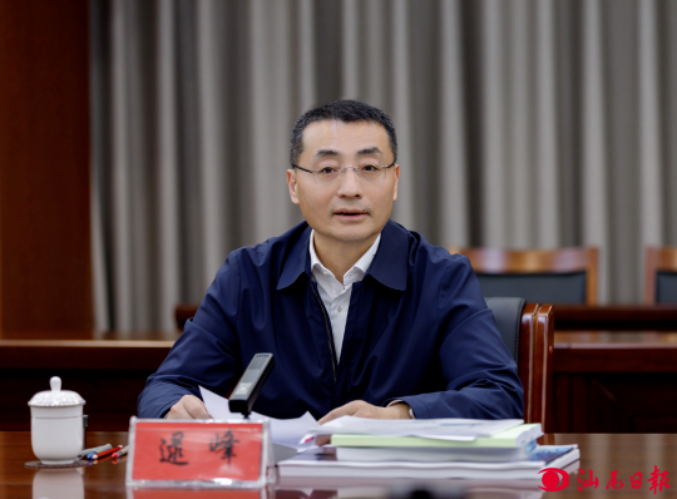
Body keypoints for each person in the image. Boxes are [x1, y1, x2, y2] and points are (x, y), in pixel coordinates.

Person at [138, 100, 523, 424]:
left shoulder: (442, 278)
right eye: (327, 170)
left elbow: (499, 397)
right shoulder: (248, 277)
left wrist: (398, 417)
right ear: (293, 185)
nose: (350, 189)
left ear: (394, 181)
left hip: (396, 481)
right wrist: (174, 408)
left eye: (369, 168)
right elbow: (166, 387)